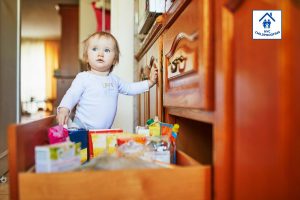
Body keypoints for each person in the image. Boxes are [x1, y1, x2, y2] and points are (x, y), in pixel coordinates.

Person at [56, 31, 158, 129]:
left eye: (107, 50)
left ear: (114, 59)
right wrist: (64, 108)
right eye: (95, 49)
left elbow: (130, 88)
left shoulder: (114, 80)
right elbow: (71, 94)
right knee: (75, 141)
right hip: (81, 127)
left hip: (103, 132)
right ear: (87, 57)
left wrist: (150, 82)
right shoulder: (83, 78)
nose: (100, 54)